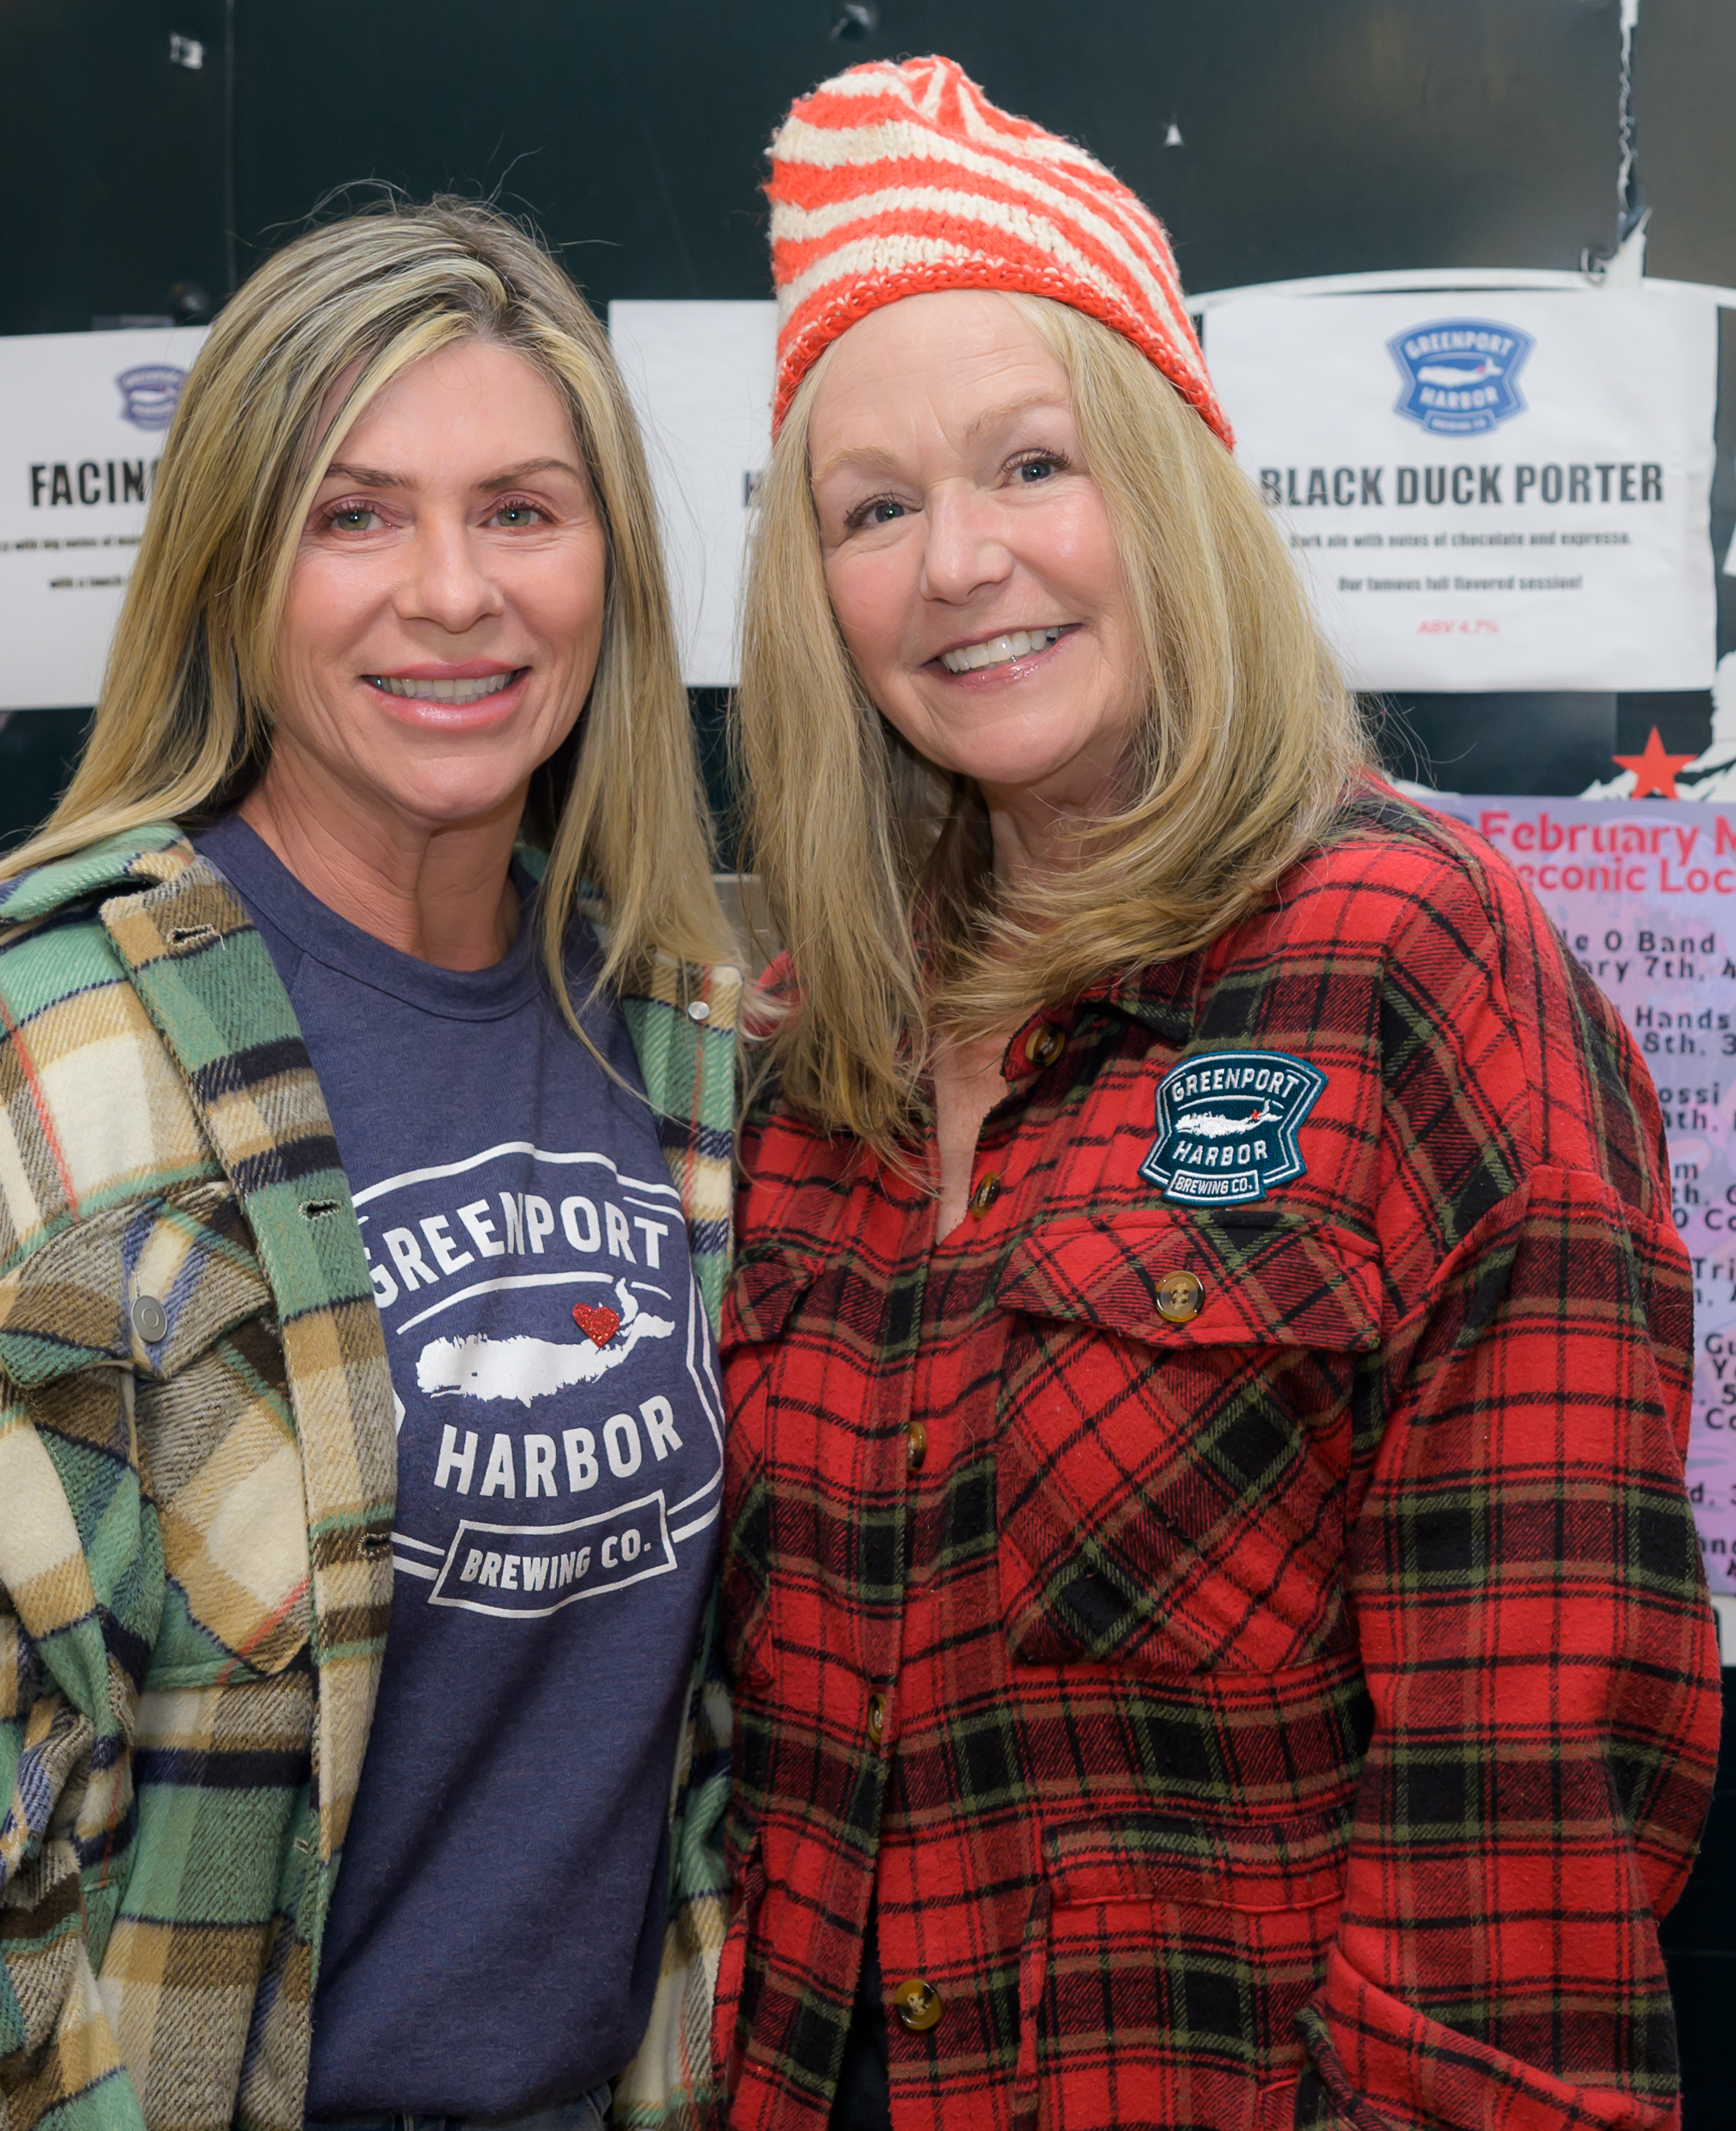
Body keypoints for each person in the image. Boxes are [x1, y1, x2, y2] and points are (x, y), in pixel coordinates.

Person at [717, 55, 1720, 2131]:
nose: (958, 561)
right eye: (873, 505)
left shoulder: (1412, 969)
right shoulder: (812, 1051)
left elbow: (1526, 1819)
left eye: (1029, 463)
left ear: (1169, 480)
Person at [0, 199, 738, 2131]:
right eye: (353, 517)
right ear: (232, 572)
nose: (453, 592)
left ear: (611, 569)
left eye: (522, 509)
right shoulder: (20, 1073)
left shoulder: (678, 1043)